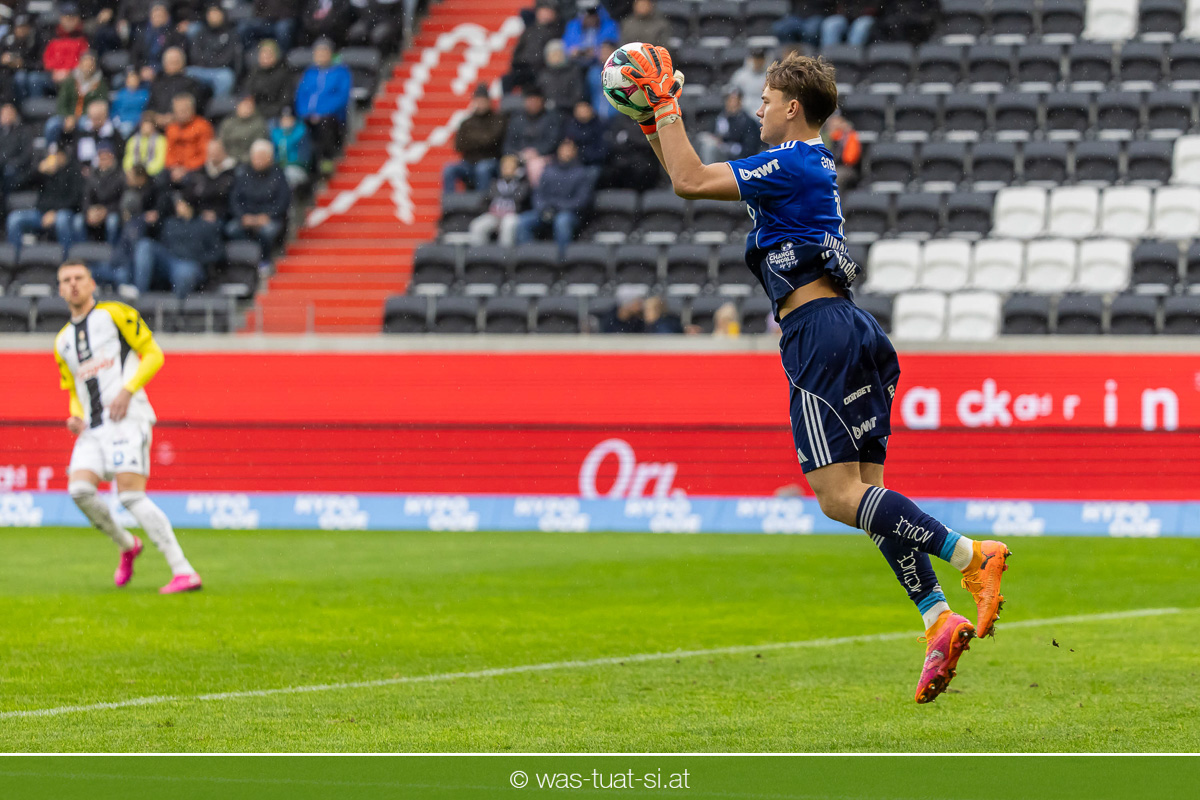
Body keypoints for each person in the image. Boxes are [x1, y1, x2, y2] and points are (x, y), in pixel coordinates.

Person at [620, 45, 1011, 703]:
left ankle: (972, 555)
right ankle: (937, 618)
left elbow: (689, 181)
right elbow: (689, 173)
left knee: (835, 497)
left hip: (816, 332)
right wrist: (650, 119)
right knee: (869, 496)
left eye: (766, 101)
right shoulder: (803, 165)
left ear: (792, 108)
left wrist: (664, 104)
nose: (759, 110)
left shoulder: (791, 160)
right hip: (852, 326)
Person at [53, 260, 202, 594]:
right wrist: (75, 415)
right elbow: (74, 390)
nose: (73, 284)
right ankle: (127, 544)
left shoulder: (116, 314)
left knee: (131, 495)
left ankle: (184, 571)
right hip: (93, 429)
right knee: (79, 490)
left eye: (79, 278)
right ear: (60, 289)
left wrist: (127, 390)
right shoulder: (62, 342)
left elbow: (154, 354)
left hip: (128, 417)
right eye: (66, 280)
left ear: (92, 283)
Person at [514, 137, 593, 255]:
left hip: (569, 213)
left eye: (569, 149)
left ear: (575, 152)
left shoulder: (581, 173)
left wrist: (557, 207)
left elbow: (581, 201)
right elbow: (538, 194)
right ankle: (529, 258)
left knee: (562, 222)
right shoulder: (548, 170)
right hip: (546, 211)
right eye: (563, 149)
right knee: (523, 221)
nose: (565, 152)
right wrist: (544, 208)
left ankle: (562, 260)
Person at [133, 194, 221, 298]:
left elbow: (218, 252)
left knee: (185, 273)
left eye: (180, 203)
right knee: (144, 245)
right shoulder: (169, 223)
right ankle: (140, 295)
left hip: (190, 263)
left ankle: (175, 306)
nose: (177, 207)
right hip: (169, 260)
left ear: (189, 205)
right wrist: (150, 223)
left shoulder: (204, 225)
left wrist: (200, 260)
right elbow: (156, 237)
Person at [7, 150, 83, 258]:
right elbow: (19, 185)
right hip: (40, 214)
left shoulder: (73, 172)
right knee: (14, 218)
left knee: (62, 220)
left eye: (58, 154)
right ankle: (15, 259)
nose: (55, 158)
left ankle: (66, 259)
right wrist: (38, 170)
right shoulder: (45, 173)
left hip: (64, 212)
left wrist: (54, 212)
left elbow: (75, 199)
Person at [293, 38, 351, 173]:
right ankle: (307, 164)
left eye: (324, 52)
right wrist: (305, 112)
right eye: (318, 53)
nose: (321, 56)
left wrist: (321, 112)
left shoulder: (341, 72)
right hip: (308, 115)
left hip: (331, 116)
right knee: (300, 128)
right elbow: (301, 95)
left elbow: (342, 97)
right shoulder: (310, 73)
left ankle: (327, 159)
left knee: (325, 124)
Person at [227, 138, 291, 254]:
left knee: (267, 232)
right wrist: (243, 216)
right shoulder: (243, 174)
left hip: (269, 218)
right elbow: (235, 199)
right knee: (231, 230)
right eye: (256, 157)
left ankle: (265, 257)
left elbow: (283, 201)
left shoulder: (278, 174)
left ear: (270, 158)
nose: (258, 160)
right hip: (246, 217)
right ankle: (248, 258)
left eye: (262, 157)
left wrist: (268, 216)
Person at [442, 85, 505, 194]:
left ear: (489, 101)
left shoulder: (497, 119)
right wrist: (483, 139)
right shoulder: (466, 122)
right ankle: (450, 203)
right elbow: (458, 145)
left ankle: (482, 202)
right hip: (468, 163)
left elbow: (492, 140)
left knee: (482, 169)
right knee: (449, 169)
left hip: (491, 161)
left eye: (483, 100)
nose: (480, 104)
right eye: (478, 100)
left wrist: (472, 139)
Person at [502, 87, 561, 185]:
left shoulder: (551, 118)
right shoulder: (517, 119)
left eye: (535, 100)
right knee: (508, 164)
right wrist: (516, 154)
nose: (532, 103)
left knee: (535, 166)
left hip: (543, 157)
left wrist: (537, 152)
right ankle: (511, 193)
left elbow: (552, 141)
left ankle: (536, 193)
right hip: (519, 155)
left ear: (542, 101)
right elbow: (508, 143)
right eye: (530, 100)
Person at [467, 154, 529, 246]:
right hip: (494, 215)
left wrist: (517, 179)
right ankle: (479, 253)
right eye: (504, 167)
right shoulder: (495, 183)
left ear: (517, 169)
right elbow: (488, 199)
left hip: (512, 214)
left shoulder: (523, 184)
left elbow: (521, 198)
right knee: (477, 226)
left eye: (510, 167)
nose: (506, 170)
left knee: (508, 225)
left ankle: (504, 253)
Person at [48, 52, 107, 146]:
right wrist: (68, 116)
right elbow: (62, 103)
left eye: (90, 65)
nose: (87, 68)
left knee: (86, 126)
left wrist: (77, 119)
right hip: (68, 115)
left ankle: (83, 152)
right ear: (80, 65)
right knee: (52, 124)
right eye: (85, 65)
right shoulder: (70, 81)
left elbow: (100, 105)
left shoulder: (100, 84)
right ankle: (53, 150)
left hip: (87, 117)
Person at [74, 141, 125, 245]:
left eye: (106, 157)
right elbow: (86, 198)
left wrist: (106, 211)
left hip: (112, 211)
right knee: (78, 221)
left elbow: (122, 201)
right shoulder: (92, 175)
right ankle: (83, 249)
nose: (103, 160)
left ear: (112, 157)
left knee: (112, 222)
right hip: (94, 211)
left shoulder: (120, 175)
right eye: (101, 157)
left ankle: (112, 250)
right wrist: (89, 211)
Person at [187, 4, 240, 98]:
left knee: (226, 77)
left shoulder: (231, 34)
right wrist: (205, 62)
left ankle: (218, 105)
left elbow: (229, 57)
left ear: (222, 15)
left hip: (219, 70)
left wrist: (212, 62)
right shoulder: (200, 32)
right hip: (201, 69)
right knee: (187, 73)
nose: (213, 17)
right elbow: (195, 54)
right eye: (210, 14)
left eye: (216, 13)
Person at [507, 1, 562, 91]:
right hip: (524, 67)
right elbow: (518, 50)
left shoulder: (557, 31)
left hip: (542, 69)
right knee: (507, 79)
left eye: (547, 11)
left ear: (554, 14)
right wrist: (516, 64)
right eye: (542, 11)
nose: (544, 14)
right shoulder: (529, 30)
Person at [698, 87, 761, 164]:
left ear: (740, 101)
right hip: (720, 153)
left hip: (736, 159)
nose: (731, 103)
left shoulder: (747, 122)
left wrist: (726, 146)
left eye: (734, 100)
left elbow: (749, 149)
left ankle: (708, 170)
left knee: (710, 148)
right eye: (729, 100)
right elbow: (713, 134)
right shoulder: (721, 117)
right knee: (702, 139)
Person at [147, 48, 212, 121]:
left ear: (183, 63)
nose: (173, 65)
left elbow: (195, 108)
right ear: (164, 64)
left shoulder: (192, 83)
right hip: (158, 123)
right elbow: (150, 108)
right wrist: (156, 118)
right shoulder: (157, 84)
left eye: (176, 62)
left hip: (182, 123)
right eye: (170, 62)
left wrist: (173, 117)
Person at [182, 139, 236, 222]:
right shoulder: (201, 172)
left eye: (216, 151)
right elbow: (192, 194)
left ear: (224, 151)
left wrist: (218, 213)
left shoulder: (234, 172)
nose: (213, 155)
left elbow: (234, 200)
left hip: (224, 217)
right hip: (200, 215)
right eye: (210, 152)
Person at [243, 40, 294, 121]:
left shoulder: (284, 73)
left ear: (276, 56)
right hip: (255, 113)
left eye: (269, 54)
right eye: (263, 53)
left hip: (274, 115)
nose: (265, 57)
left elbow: (285, 101)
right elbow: (247, 91)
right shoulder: (254, 71)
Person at [164, 93, 213, 173]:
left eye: (184, 110)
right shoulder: (171, 128)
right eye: (178, 111)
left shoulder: (203, 126)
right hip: (174, 169)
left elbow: (205, 155)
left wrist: (186, 168)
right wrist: (174, 167)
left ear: (192, 109)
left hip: (195, 169)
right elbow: (168, 153)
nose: (181, 114)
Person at [563, 0, 619, 65]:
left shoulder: (609, 25)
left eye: (593, 13)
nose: (590, 18)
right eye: (586, 14)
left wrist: (595, 52)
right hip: (576, 63)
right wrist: (576, 51)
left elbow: (610, 47)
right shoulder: (573, 25)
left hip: (599, 64)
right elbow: (567, 47)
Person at [269, 106, 312, 188]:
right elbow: (273, 154)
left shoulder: (301, 132)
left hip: (297, 167)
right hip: (279, 167)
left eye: (289, 118)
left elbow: (305, 157)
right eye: (284, 119)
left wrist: (291, 163)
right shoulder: (275, 133)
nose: (286, 122)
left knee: (288, 176)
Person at [219, 94, 269, 164]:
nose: (245, 109)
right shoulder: (228, 123)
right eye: (243, 105)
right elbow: (221, 142)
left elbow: (257, 146)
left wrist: (241, 159)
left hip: (248, 162)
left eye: (248, 106)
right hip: (228, 159)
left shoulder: (259, 124)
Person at [538, 40, 583, 112]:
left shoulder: (573, 72)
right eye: (553, 54)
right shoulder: (543, 74)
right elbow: (540, 97)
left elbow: (577, 96)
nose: (556, 57)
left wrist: (557, 104)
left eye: (559, 54)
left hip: (569, 112)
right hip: (547, 113)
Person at [563, 99, 607, 167]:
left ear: (591, 109)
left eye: (584, 109)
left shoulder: (600, 125)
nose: (582, 112)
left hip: (593, 164)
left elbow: (602, 152)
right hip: (573, 164)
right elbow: (566, 147)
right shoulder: (570, 125)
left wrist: (579, 153)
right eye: (579, 109)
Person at [823, 111, 861, 189]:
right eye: (831, 120)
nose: (833, 123)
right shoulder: (824, 136)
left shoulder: (849, 135)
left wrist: (839, 136)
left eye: (836, 120)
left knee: (835, 177)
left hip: (846, 168)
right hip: (826, 166)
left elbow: (850, 159)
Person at [123, 111, 168, 176]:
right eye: (144, 125)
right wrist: (129, 170)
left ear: (153, 126)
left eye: (148, 126)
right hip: (135, 172)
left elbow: (160, 161)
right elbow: (128, 158)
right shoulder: (133, 140)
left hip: (152, 174)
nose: (146, 128)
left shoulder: (160, 140)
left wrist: (146, 172)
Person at [111, 70, 150, 138]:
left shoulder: (144, 94)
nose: (133, 82)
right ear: (126, 81)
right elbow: (114, 111)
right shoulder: (120, 95)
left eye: (135, 80)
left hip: (138, 123)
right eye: (131, 80)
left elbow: (146, 110)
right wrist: (117, 122)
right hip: (122, 123)